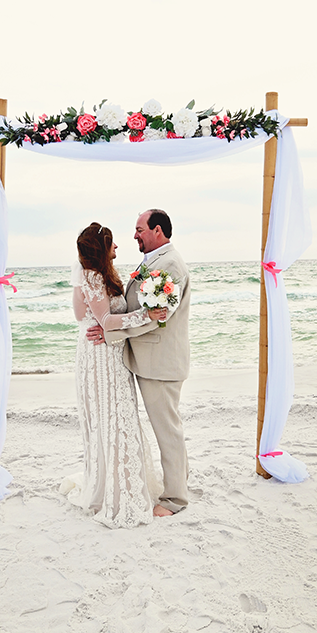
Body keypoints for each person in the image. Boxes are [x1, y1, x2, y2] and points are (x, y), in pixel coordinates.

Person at [87, 208, 190, 517]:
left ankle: (175, 499)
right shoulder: (155, 261)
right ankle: (179, 481)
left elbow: (157, 318)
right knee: (168, 427)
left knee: (167, 430)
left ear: (157, 231)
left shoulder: (170, 265)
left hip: (161, 362)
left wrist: (111, 334)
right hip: (149, 360)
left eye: (139, 229)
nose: (134, 235)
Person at [68, 222, 167, 529]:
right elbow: (106, 321)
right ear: (101, 249)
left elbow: (91, 318)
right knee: (113, 418)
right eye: (111, 244)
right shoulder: (94, 277)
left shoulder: (96, 275)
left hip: (108, 355)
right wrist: (146, 315)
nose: (116, 247)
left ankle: (119, 479)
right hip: (102, 359)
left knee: (117, 417)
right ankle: (115, 490)